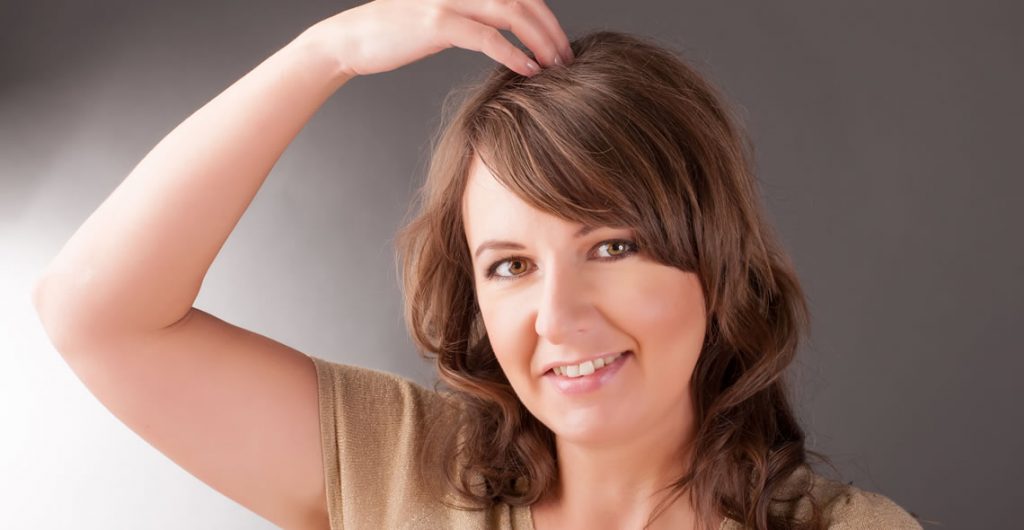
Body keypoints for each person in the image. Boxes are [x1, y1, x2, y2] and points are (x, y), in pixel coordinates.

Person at [31, 0, 922, 529]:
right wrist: (326, 52)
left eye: (612, 247)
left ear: (714, 259)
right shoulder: (403, 470)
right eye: (510, 266)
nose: (558, 318)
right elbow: (94, 313)